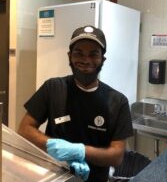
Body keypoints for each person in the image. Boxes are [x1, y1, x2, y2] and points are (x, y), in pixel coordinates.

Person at [18, 25, 133, 182]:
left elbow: (116, 156)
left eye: (93, 54)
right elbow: (25, 129)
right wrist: (52, 145)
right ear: (69, 56)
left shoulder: (118, 101)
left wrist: (80, 151)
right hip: (54, 177)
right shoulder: (52, 88)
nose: (85, 60)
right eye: (79, 53)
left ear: (102, 59)